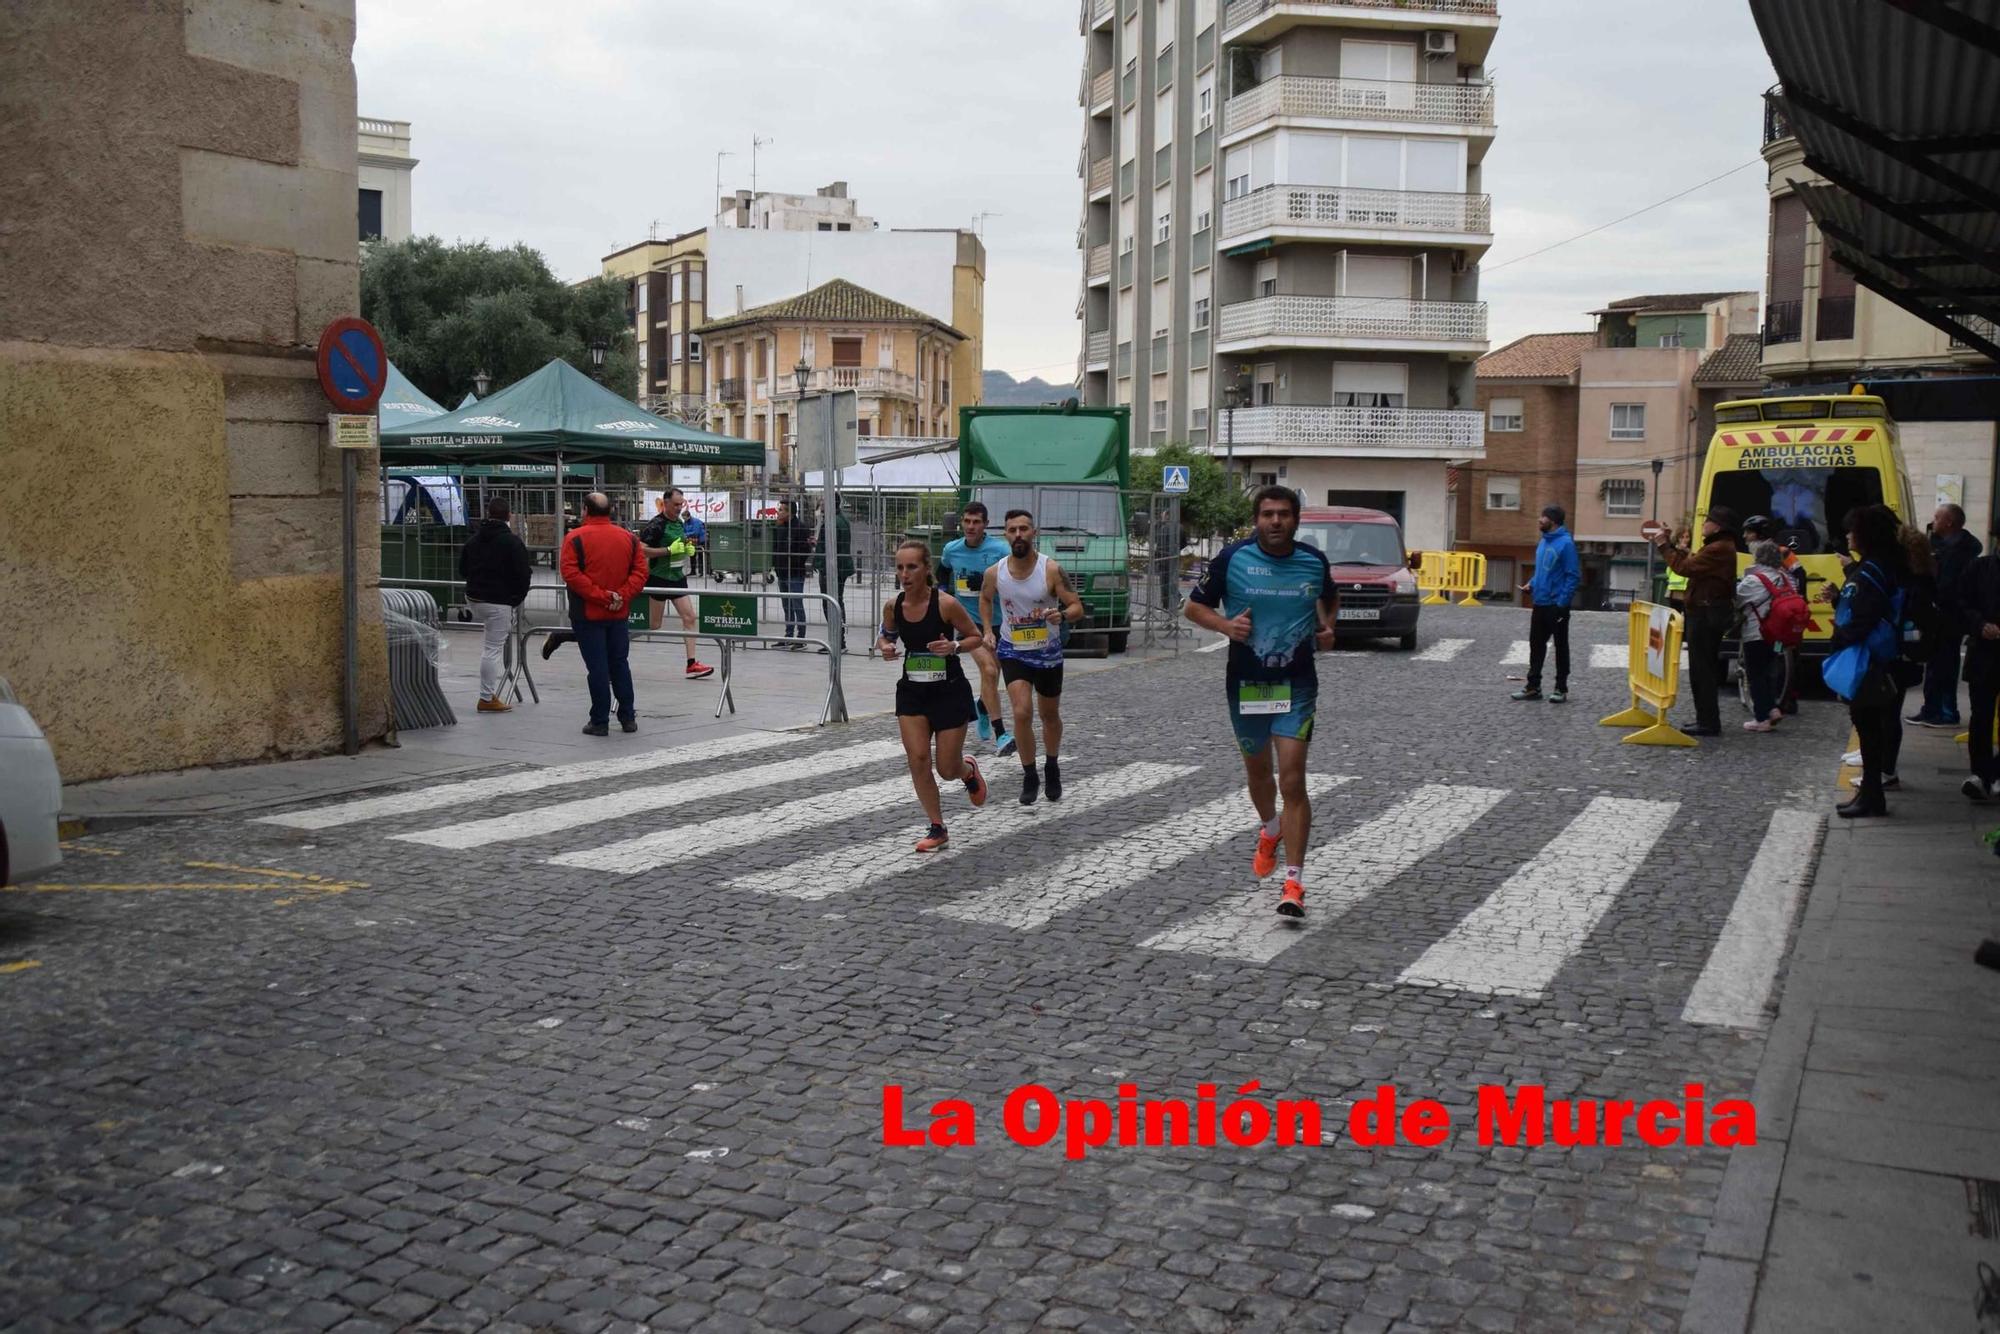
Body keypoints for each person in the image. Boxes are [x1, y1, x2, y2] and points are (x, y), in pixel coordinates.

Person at [1185, 485, 1339, 919]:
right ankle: (1269, 828)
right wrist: (1225, 625)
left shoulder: (1313, 561)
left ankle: (1294, 881)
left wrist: (1327, 626)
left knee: (1292, 779)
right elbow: (1194, 607)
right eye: (1268, 514)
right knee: (1259, 774)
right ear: (1256, 519)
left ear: (1296, 519)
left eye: (1284, 514)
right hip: (1248, 683)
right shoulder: (1232, 559)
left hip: (1297, 684)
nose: (1276, 521)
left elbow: (1329, 596)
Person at [876, 538, 988, 851]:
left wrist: (953, 647)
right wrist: (885, 647)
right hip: (912, 691)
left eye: (911, 566)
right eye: (899, 567)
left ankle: (966, 771)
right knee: (918, 758)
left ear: (926, 568)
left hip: (948, 690)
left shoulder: (946, 604)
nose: (904, 573)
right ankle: (937, 826)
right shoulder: (893, 606)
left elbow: (975, 638)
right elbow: (885, 636)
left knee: (946, 768)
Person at [980, 509, 1086, 805]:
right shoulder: (996, 572)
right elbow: (985, 598)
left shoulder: (1050, 570)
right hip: (1013, 651)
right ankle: (1029, 774)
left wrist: (1061, 615)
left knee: (1049, 715)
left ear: (1033, 533)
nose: (1018, 535)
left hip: (1048, 653)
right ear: (1006, 535)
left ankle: (1051, 766)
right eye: (1012, 530)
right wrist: (988, 630)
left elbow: (1077, 606)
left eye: (1023, 529)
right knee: (1022, 712)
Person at [1825, 504, 1908, 817]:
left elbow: (1865, 614)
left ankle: (1872, 796)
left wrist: (1843, 636)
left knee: (1870, 728)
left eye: (1852, 530)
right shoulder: (1883, 564)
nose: (1847, 536)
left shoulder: (1872, 569)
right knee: (1870, 728)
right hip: (1875, 656)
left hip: (1868, 658)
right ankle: (1869, 794)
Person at [558, 491, 650, 737]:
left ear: (585, 511)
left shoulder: (574, 538)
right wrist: (621, 596)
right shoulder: (628, 538)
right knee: (620, 664)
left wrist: (602, 596)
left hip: (587, 614)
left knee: (597, 668)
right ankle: (628, 717)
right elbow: (640, 572)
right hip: (618, 614)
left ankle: (599, 720)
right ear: (610, 511)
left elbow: (571, 574)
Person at [1650, 505, 1740, 737]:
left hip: (1706, 614)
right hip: (1705, 612)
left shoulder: (1718, 548)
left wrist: (1662, 545)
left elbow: (1684, 567)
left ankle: (1708, 722)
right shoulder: (1719, 546)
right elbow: (1691, 564)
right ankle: (1705, 719)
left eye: (1708, 521)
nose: (1704, 524)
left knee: (1703, 671)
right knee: (1702, 669)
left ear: (1717, 526)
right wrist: (1670, 544)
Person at [940, 501, 1016, 755]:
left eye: (977, 522)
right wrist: (942, 597)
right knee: (990, 670)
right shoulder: (952, 549)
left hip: (998, 623)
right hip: (969, 624)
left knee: (991, 676)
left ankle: (982, 708)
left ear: (985, 525)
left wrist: (987, 582)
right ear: (962, 522)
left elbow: (1012, 579)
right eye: (968, 521)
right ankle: (1001, 734)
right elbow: (942, 573)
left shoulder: (1000, 549)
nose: (971, 527)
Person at [459, 498, 534, 713]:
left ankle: (489, 695)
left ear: (488, 513)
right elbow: (523, 574)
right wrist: (515, 599)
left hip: (474, 598)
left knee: (490, 646)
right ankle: (486, 697)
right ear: (508, 516)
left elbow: (463, 569)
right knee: (492, 650)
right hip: (499, 601)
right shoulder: (512, 542)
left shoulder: (473, 540)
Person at [1913, 502, 1981, 729]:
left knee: (1945, 663)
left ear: (1949, 522)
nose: (1933, 522)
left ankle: (1946, 711)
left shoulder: (1960, 552)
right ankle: (1930, 708)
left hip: (1950, 616)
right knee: (1934, 663)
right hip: (1937, 614)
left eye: (1937, 517)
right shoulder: (1940, 545)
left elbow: (1947, 585)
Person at [639, 489, 715, 680]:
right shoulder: (656, 524)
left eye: (681, 504)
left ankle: (692, 664)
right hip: (659, 578)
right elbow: (641, 550)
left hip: (678, 577)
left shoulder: (680, 522)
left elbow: (680, 546)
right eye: (675, 504)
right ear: (665, 503)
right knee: (653, 624)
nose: (679, 508)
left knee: (689, 617)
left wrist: (687, 550)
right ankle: (612, 643)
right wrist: (667, 550)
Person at [1511, 505, 1580, 703]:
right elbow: (1543, 571)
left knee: (1560, 647)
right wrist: (1531, 584)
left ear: (1553, 521)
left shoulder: (1566, 544)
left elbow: (1573, 576)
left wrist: (1562, 603)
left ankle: (1561, 688)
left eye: (1544, 517)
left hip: (1556, 605)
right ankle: (1533, 687)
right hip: (1539, 603)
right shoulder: (1543, 541)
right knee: (1536, 646)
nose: (1539, 520)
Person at [1742, 515, 1807, 715]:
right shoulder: (1759, 552)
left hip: (1782, 610)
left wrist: (1798, 598)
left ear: (1759, 533)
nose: (1745, 537)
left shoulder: (1781, 551)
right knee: (1777, 656)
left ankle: (1787, 699)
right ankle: (1778, 699)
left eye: (1749, 532)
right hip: (1776, 607)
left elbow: (1800, 573)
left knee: (1783, 657)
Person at [1957, 538, 2000, 800]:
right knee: (1981, 716)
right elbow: (1960, 604)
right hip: (1984, 653)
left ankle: (1993, 771)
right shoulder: (1979, 568)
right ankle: (1981, 775)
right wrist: (1979, 624)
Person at [1735, 541, 1791, 732]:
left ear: (1758, 558)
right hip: (1778, 637)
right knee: (1769, 672)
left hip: (1756, 634)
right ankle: (1773, 708)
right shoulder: (1785, 578)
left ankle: (1762, 719)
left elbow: (1737, 599)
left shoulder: (1754, 580)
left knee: (1755, 676)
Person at [771, 500, 813, 646]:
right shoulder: (780, 527)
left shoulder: (800, 528)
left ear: (790, 512)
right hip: (782, 572)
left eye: (782, 510)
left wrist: (793, 562)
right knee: (786, 605)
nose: (779, 512)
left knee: (797, 604)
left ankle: (801, 637)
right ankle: (788, 635)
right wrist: (776, 564)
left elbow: (805, 551)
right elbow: (775, 548)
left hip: (794, 572)